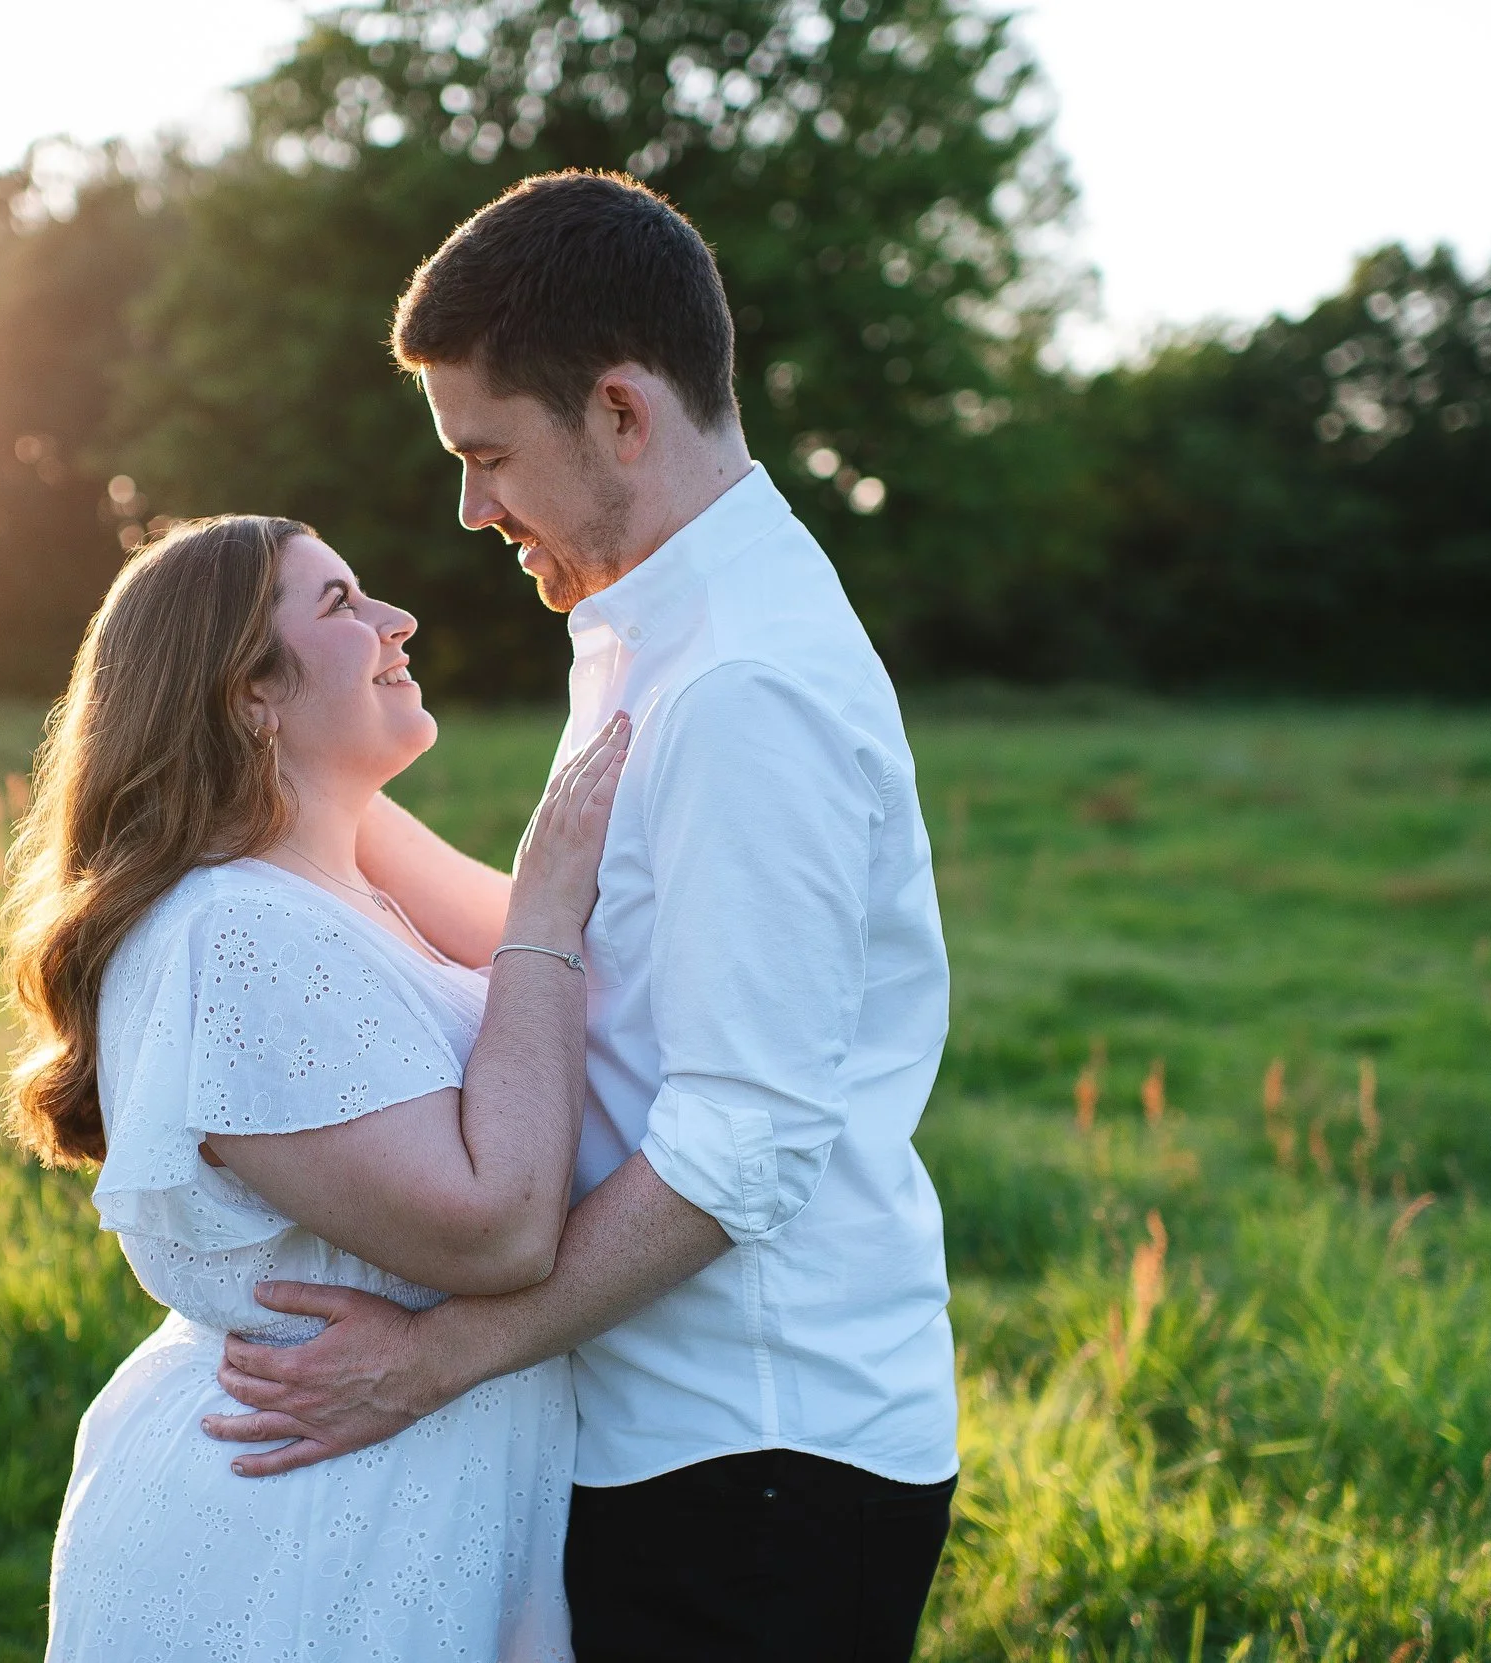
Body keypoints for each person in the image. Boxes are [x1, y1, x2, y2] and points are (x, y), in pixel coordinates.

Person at [205, 171, 962, 1662]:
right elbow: (604, 974)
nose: (471, 509)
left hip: (754, 1453)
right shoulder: (649, 627)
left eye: (488, 455)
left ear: (620, 411)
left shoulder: (743, 685)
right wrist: (276, 786)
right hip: (671, 1427)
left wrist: (433, 1359)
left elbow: (744, 1139)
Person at [0, 511, 630, 1661]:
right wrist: (545, 904)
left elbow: (593, 979)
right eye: (342, 603)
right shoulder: (237, 933)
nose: (399, 619)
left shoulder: (331, 888)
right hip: (300, 1538)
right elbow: (497, 1229)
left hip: (390, 1506)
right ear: (250, 693)